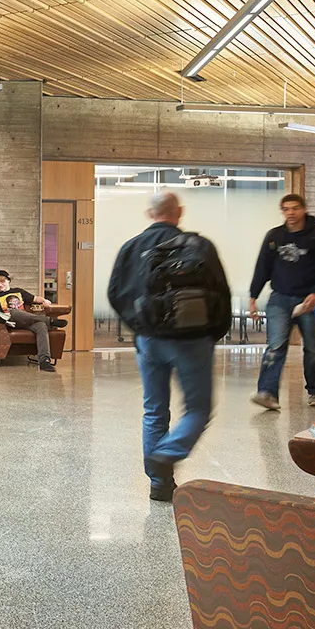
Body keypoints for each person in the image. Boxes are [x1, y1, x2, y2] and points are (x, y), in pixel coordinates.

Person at [108, 192, 230, 502]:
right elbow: (222, 292)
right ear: (179, 212)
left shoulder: (132, 247)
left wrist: (141, 328)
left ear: (150, 213)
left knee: (154, 410)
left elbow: (115, 293)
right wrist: (212, 335)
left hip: (150, 341)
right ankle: (168, 452)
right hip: (193, 340)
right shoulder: (200, 246)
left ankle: (159, 483)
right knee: (198, 409)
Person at [248, 193, 315, 411]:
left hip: (309, 301)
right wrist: (253, 297)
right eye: (286, 209)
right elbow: (262, 267)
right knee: (275, 346)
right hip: (279, 300)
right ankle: (267, 393)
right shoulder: (274, 236)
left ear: (304, 209)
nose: (290, 213)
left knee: (313, 348)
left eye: (295, 208)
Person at [0, 270, 58, 373]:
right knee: (14, 311)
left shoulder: (18, 291)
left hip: (26, 320)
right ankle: (49, 321)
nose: (0, 285)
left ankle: (44, 361)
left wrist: (45, 301)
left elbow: (35, 298)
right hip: (11, 322)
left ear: (8, 280)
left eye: (2, 281)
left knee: (41, 325)